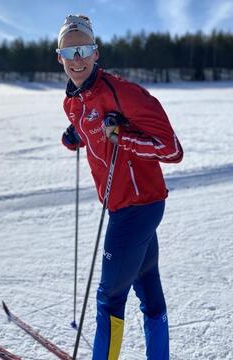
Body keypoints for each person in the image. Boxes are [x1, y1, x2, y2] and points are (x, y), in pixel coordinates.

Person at [57, 15, 183, 359]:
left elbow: (172, 150)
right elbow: (88, 126)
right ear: (60, 58)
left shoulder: (124, 93)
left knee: (109, 298)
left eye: (84, 50)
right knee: (150, 297)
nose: (77, 59)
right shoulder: (73, 102)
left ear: (96, 53)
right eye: (70, 53)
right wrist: (75, 137)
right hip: (126, 206)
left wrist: (123, 136)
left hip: (137, 208)